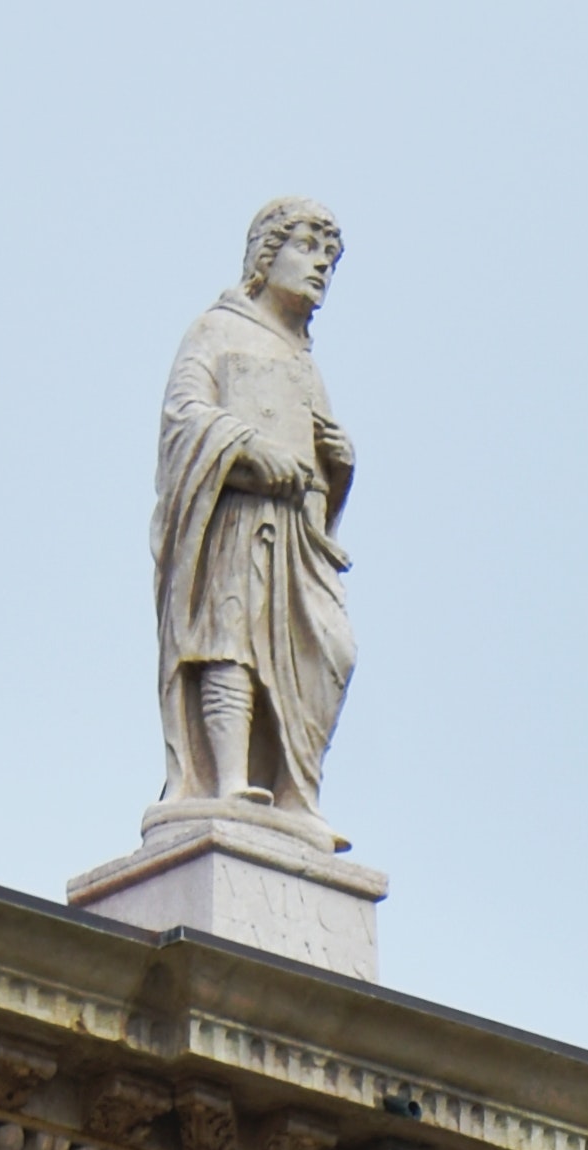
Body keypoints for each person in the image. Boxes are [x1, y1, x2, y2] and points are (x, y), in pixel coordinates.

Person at [152, 205, 359, 817]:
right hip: (237, 518)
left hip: (299, 536)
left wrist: (339, 464)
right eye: (307, 246)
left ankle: (298, 793)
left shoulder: (305, 363)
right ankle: (228, 783)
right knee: (228, 639)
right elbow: (182, 417)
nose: (321, 264)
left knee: (330, 651)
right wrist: (246, 448)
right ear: (267, 254)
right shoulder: (216, 332)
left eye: (331, 257)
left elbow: (320, 469)